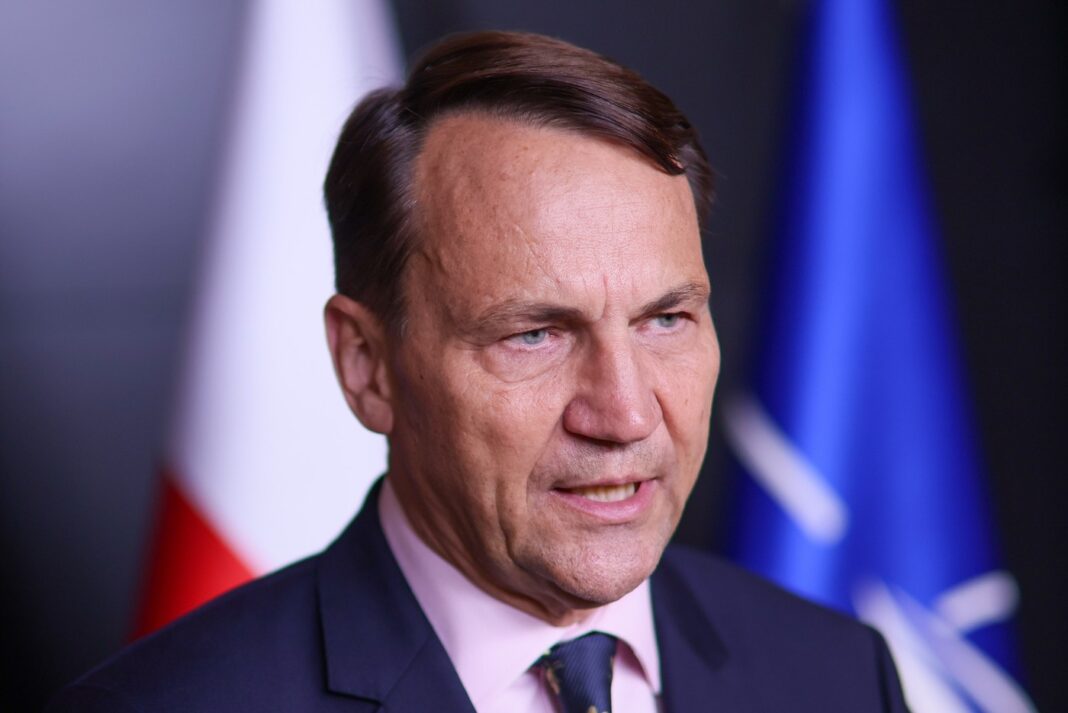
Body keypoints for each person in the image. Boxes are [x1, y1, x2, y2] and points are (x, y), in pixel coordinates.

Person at [49, 31, 909, 712]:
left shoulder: (836, 673)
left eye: (665, 319)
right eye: (535, 335)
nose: (625, 414)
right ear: (367, 365)